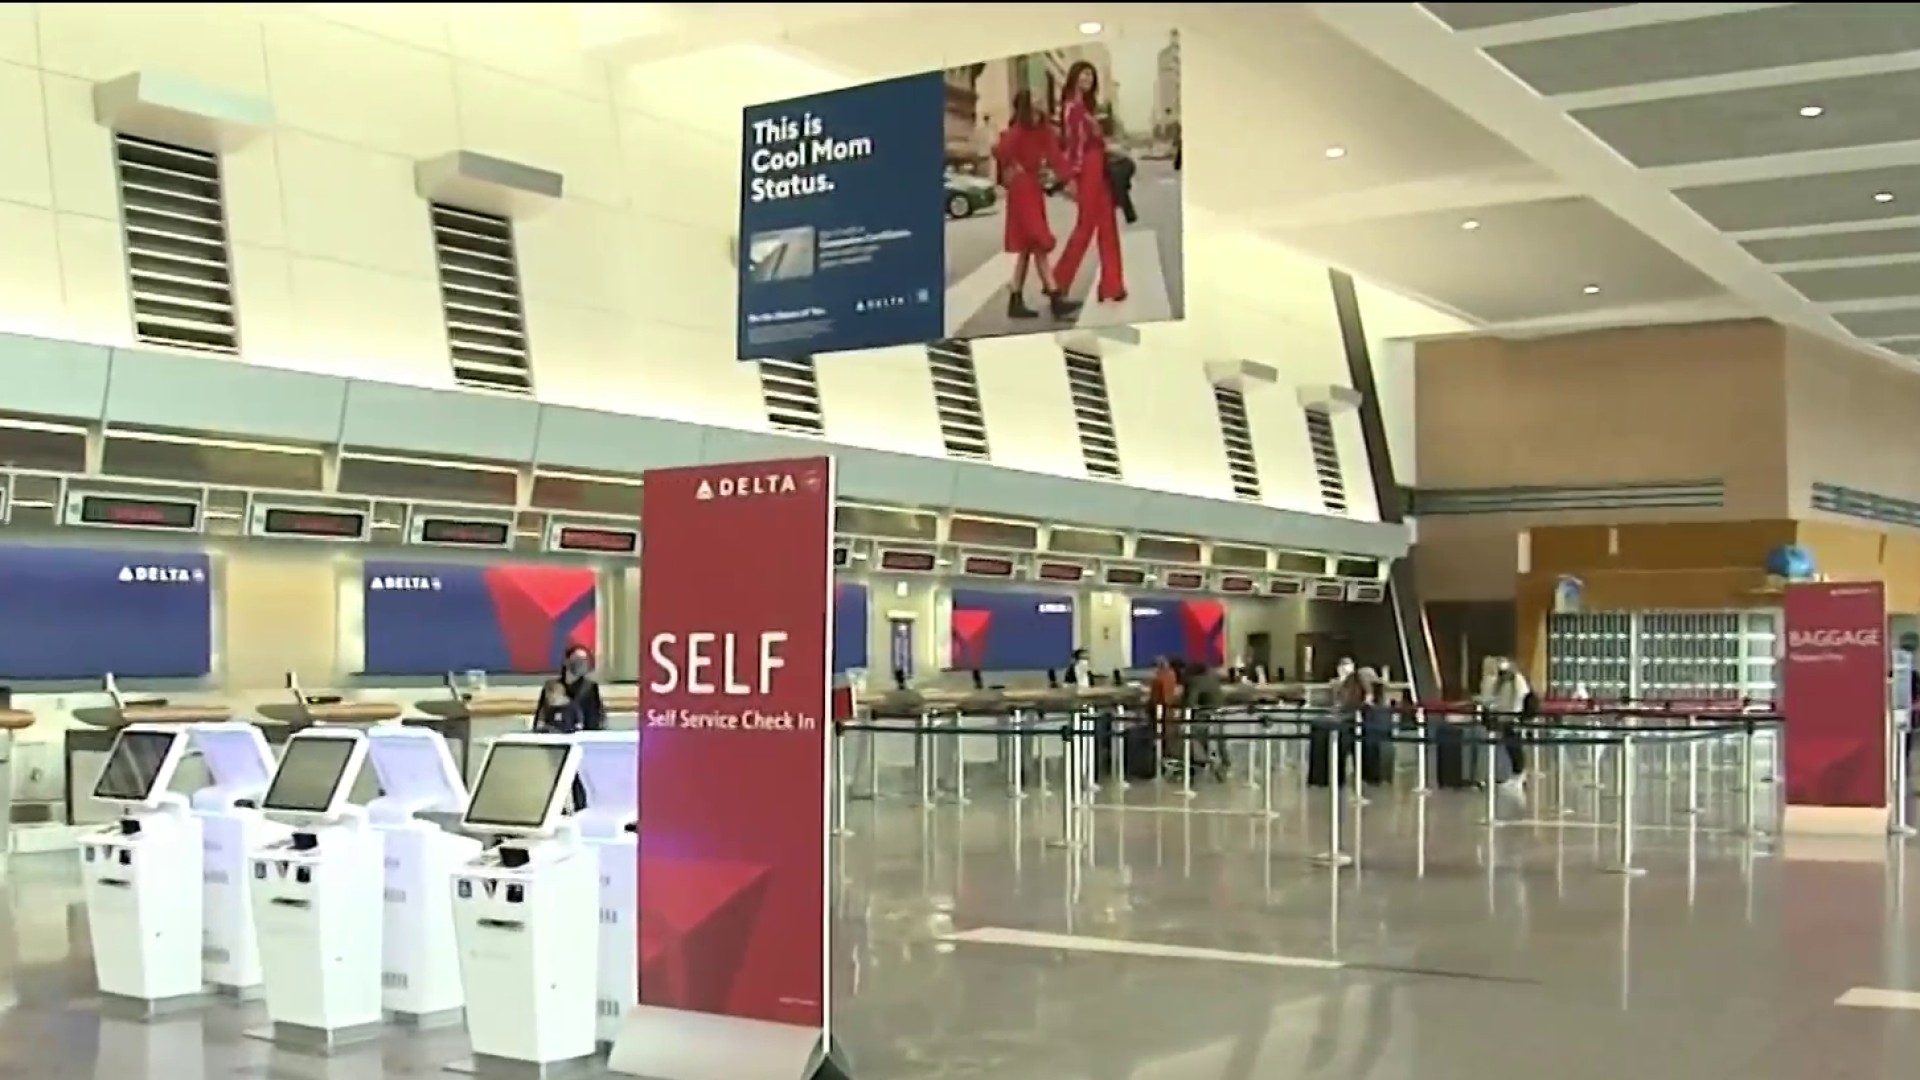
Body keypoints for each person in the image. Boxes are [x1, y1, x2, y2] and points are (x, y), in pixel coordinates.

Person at [993, 90, 1082, 322]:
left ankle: (1016, 299)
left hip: (1032, 188)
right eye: (1035, 101)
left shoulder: (1042, 130)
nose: (1041, 103)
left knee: (1026, 248)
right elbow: (1000, 150)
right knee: (1038, 243)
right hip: (1022, 189)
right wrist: (1013, 167)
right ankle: (1055, 299)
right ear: (1026, 106)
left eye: (1040, 100)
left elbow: (1055, 156)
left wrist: (1069, 179)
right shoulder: (1017, 131)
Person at [1053, 61, 1128, 305]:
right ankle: (1059, 284)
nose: (1087, 78)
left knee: (1108, 226)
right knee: (1085, 227)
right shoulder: (1072, 108)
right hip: (1086, 169)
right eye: (1084, 73)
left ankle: (1112, 285)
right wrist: (1072, 177)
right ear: (1074, 76)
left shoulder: (1085, 108)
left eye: (1091, 74)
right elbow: (1074, 145)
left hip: (1099, 168)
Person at [534, 645, 605, 807]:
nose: (581, 664)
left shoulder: (589, 688)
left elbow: (594, 718)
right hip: (554, 742)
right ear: (566, 661)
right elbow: (541, 714)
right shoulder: (551, 687)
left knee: (580, 785)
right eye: (577, 660)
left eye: (584, 660)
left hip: (579, 743)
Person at [1479, 657, 1531, 792]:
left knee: (1515, 746)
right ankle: (1515, 774)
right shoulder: (1500, 682)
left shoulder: (1517, 679)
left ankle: (1519, 774)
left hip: (1514, 717)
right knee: (1510, 745)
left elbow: (1522, 697)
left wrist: (1516, 715)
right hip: (1504, 717)